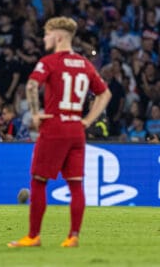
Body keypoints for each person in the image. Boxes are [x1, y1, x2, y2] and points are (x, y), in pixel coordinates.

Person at [8, 17, 111, 248]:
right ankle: (73, 235)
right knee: (76, 185)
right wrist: (87, 120)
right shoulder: (85, 64)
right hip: (76, 129)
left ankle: (33, 236)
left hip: (54, 127)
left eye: (47, 34)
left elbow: (32, 85)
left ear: (59, 36)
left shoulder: (49, 62)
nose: (44, 38)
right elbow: (105, 94)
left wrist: (35, 114)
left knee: (38, 181)